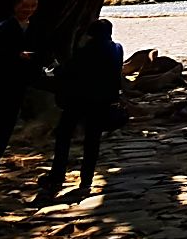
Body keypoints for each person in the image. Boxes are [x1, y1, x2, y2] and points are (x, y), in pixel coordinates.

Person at [36, 18, 124, 202]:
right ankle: (86, 181)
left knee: (63, 137)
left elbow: (65, 72)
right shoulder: (117, 49)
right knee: (93, 142)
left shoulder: (85, 51)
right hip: (103, 103)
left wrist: (46, 70)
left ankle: (57, 176)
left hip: (77, 102)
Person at [0, 0, 47, 175]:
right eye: (25, 6)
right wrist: (15, 56)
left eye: (33, 6)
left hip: (20, 84)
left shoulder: (36, 29)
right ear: (16, 6)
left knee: (8, 124)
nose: (29, 10)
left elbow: (42, 52)